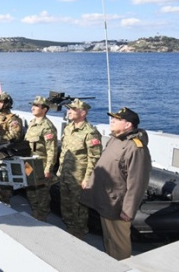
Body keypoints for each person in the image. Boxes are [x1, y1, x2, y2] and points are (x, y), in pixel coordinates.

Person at [81, 107, 151, 260]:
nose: (112, 121)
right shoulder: (115, 139)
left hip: (117, 205)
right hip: (106, 200)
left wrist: (127, 210)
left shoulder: (135, 148)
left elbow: (137, 183)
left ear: (128, 125)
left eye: (117, 119)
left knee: (119, 243)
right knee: (109, 239)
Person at [57, 98, 102, 239]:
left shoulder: (90, 132)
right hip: (65, 174)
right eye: (68, 109)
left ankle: (79, 232)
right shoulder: (69, 127)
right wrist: (59, 171)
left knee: (79, 207)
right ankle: (69, 226)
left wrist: (87, 179)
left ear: (83, 113)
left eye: (72, 109)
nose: (69, 112)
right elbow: (64, 151)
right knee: (65, 204)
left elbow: (94, 158)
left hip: (79, 177)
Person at [23, 96, 58, 221]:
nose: (33, 107)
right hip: (29, 163)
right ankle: (35, 212)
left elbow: (52, 150)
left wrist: (48, 169)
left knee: (42, 193)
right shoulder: (32, 123)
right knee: (30, 190)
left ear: (44, 109)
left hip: (41, 164)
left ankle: (42, 216)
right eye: (33, 104)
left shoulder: (47, 127)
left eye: (36, 105)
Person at [0, 92, 23, 204]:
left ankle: (5, 200)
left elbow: (15, 136)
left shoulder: (13, 119)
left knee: (5, 178)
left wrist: (0, 136)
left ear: (7, 103)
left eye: (1, 102)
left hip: (6, 152)